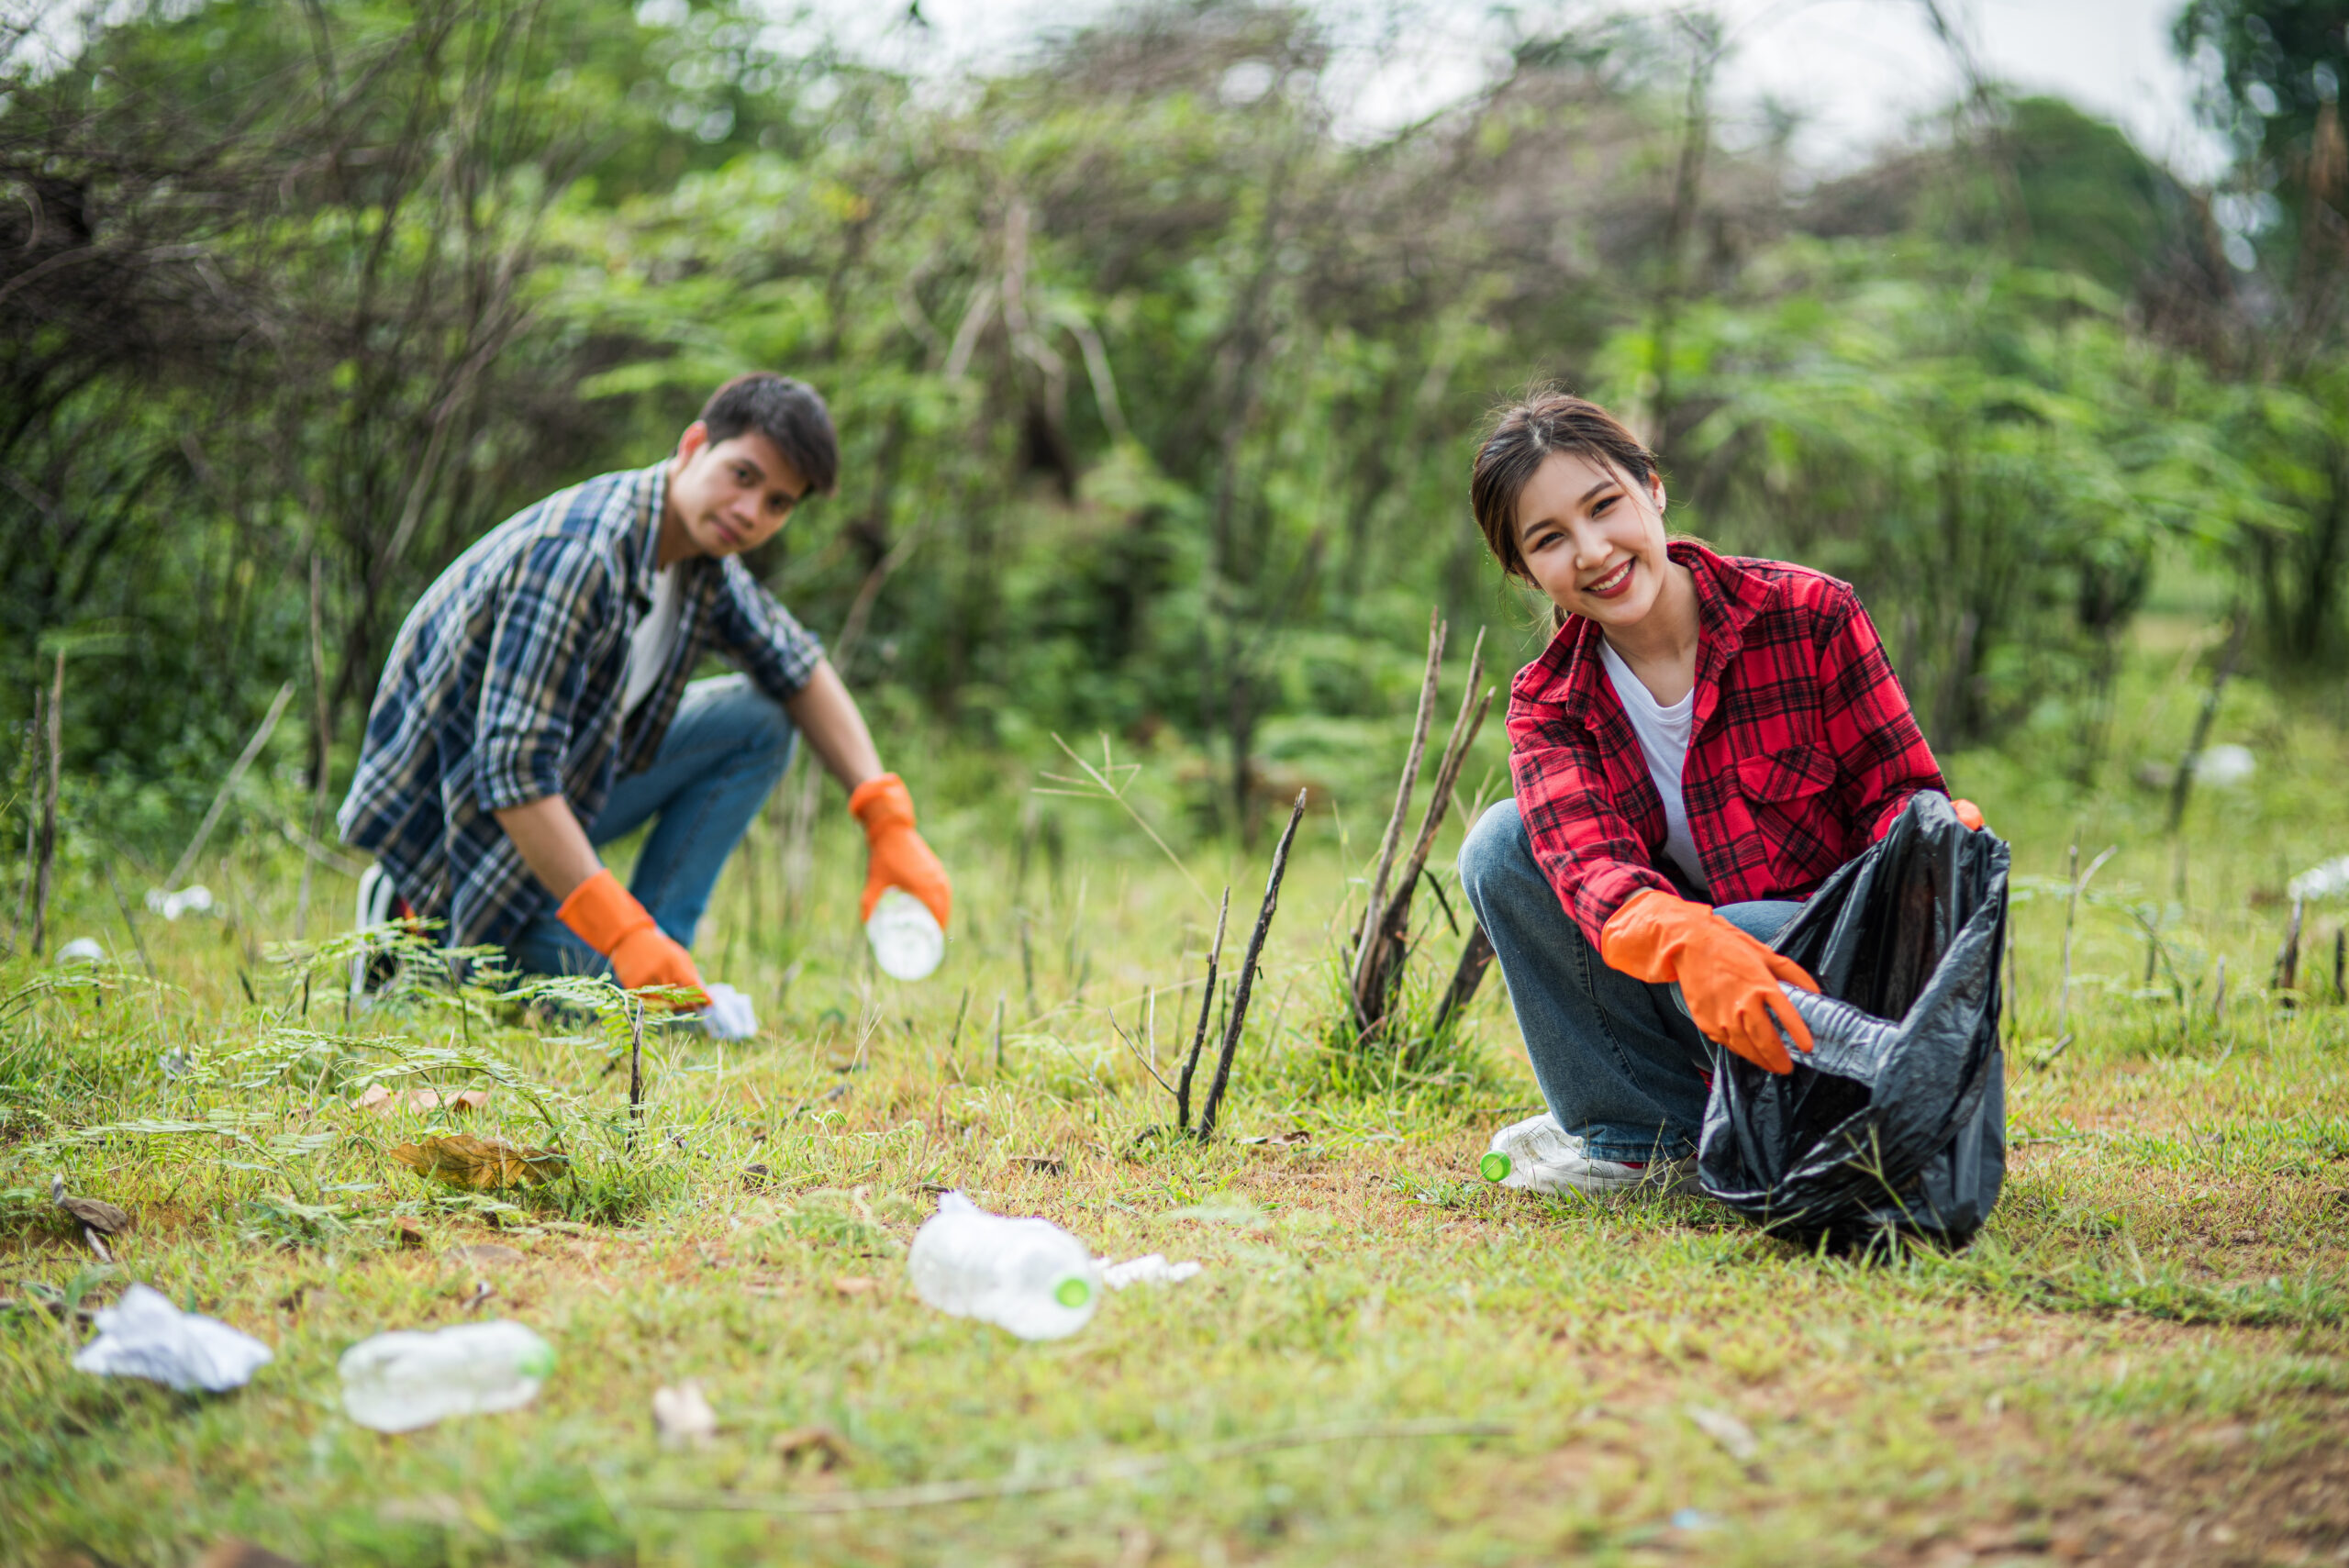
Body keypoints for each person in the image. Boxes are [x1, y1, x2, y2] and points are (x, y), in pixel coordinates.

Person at [1455, 391, 1986, 1196]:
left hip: (1831, 989)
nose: (1594, 550)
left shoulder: (1810, 614)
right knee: (1500, 843)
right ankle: (1646, 1137)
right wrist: (1690, 943)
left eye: (1606, 506)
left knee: (1747, 923)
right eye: (1551, 539)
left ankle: (1816, 1121)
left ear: (1653, 488)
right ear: (1524, 570)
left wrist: (1936, 840)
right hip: (1696, 990)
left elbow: (1897, 794)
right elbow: (1591, 870)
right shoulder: (1550, 703)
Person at [338, 373, 951, 1006]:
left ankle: (663, 957)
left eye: (778, 503)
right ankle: (415, 926)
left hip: (565, 793)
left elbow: (800, 668)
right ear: (693, 447)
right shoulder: (580, 555)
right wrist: (620, 933)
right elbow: (514, 778)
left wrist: (886, 818)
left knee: (761, 717)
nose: (751, 513)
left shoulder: (700, 559)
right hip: (466, 838)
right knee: (623, 1006)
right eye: (743, 475)